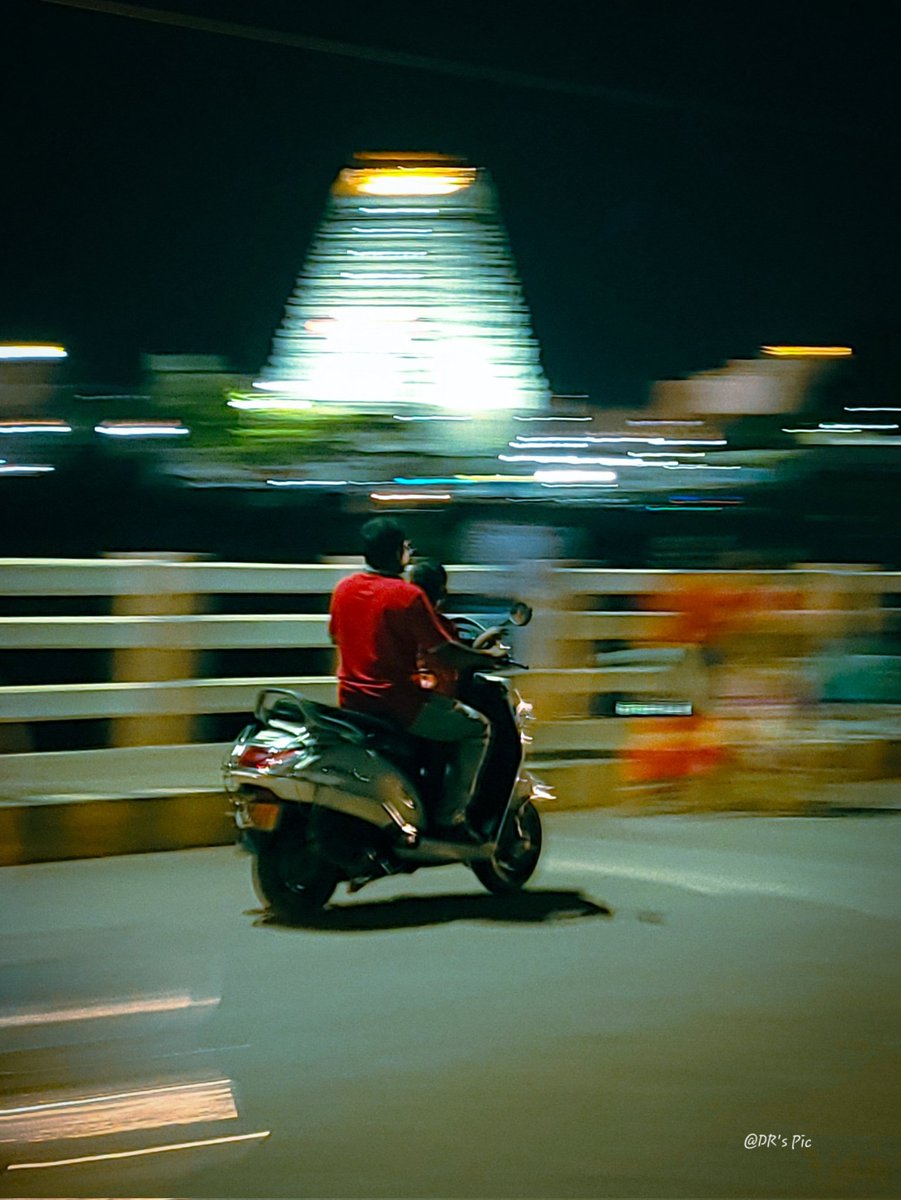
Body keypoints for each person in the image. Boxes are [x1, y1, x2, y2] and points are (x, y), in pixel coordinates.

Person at [328, 519, 505, 838]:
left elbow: (335, 638)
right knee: (477, 728)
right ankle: (452, 816)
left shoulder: (343, 589)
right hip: (400, 706)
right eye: (407, 547)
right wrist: (487, 658)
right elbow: (445, 652)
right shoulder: (407, 596)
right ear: (398, 552)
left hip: (351, 703)